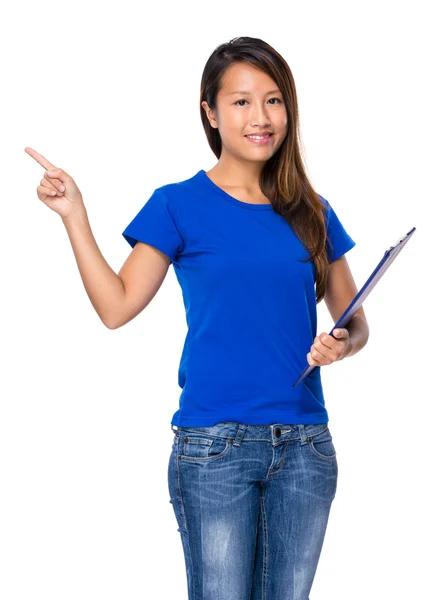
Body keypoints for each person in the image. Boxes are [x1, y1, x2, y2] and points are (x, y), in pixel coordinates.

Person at [25, 35, 369, 600]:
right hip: (215, 448)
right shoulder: (176, 204)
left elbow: (355, 321)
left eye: (274, 100)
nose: (260, 117)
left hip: (306, 448)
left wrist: (343, 343)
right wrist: (74, 215)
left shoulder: (313, 208)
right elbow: (115, 308)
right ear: (210, 112)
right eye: (240, 101)